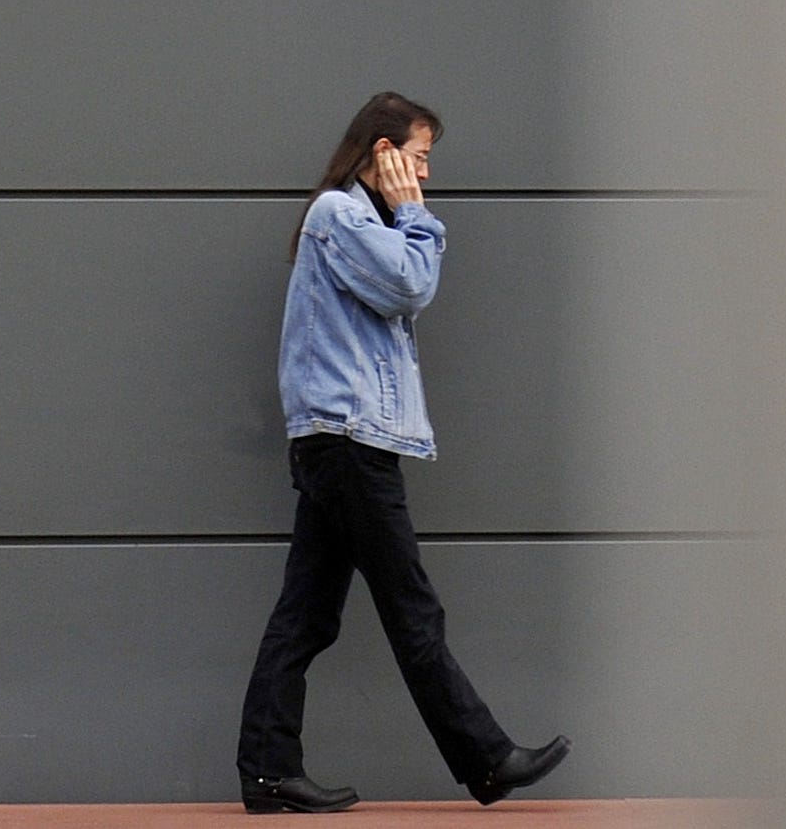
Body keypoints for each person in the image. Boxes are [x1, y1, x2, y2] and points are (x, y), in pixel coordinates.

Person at [236, 92, 571, 813]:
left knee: (307, 615)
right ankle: (485, 760)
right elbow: (409, 286)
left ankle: (267, 772)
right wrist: (415, 214)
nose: (424, 174)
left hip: (340, 439)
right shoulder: (341, 213)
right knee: (411, 609)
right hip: (349, 441)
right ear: (382, 152)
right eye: (418, 157)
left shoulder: (362, 221)